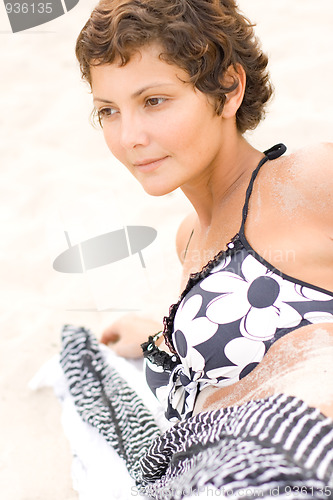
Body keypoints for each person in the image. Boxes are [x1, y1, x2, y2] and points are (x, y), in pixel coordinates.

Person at [61, 0, 333, 497]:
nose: (130, 137)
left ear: (228, 89)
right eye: (108, 111)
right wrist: (156, 341)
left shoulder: (309, 181)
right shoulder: (188, 238)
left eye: (154, 101)